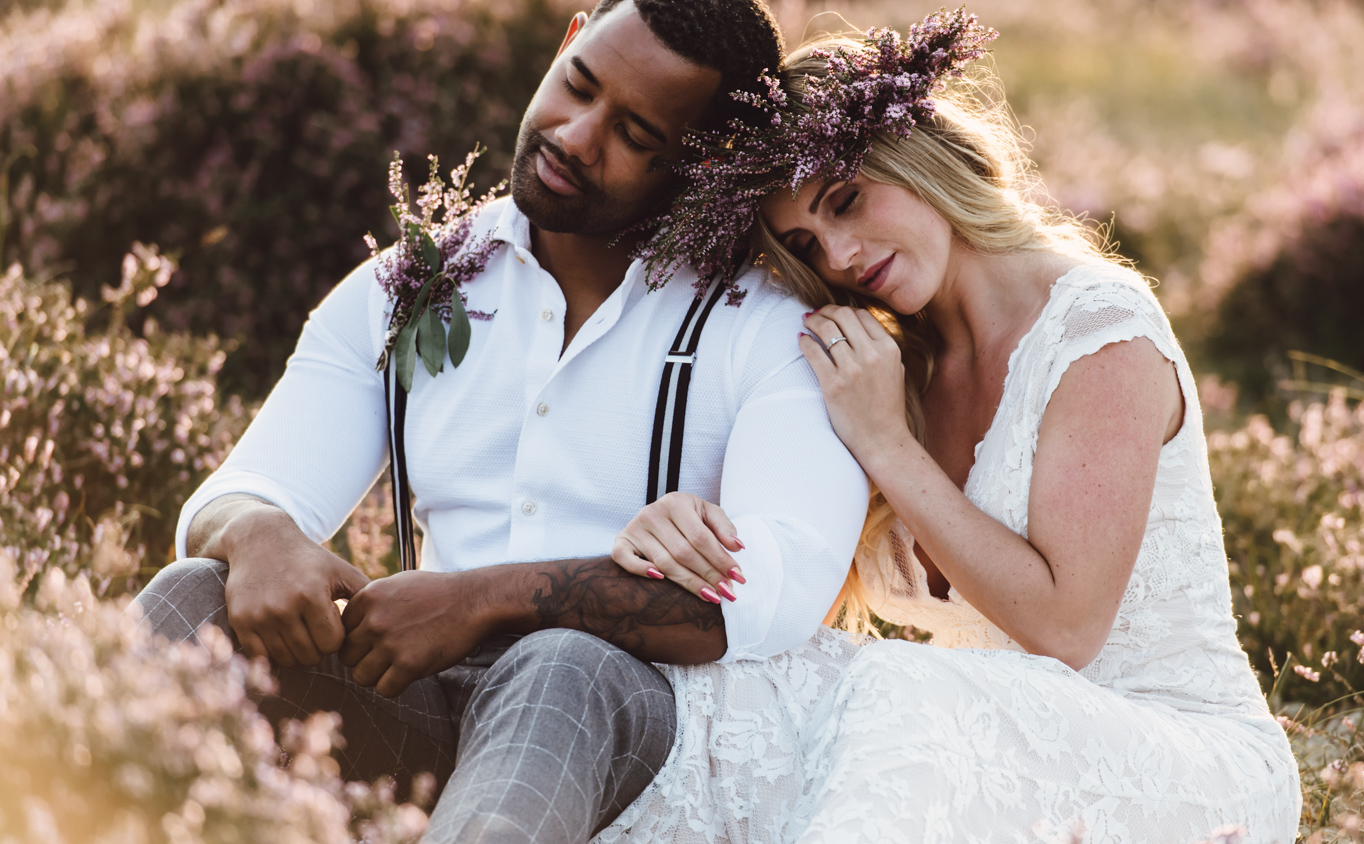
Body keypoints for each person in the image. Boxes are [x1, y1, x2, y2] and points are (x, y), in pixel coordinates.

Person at [131, 2, 871, 843]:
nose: (575, 137)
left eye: (635, 135)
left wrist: (480, 599)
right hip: (416, 707)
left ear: (709, 161)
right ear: (567, 40)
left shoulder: (768, 327)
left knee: (562, 666)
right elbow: (246, 486)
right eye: (578, 85)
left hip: (629, 728)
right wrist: (259, 530)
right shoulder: (408, 285)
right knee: (194, 595)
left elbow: (774, 593)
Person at [597, 11, 1301, 842]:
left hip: (1179, 756)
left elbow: (1066, 629)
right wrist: (674, 526)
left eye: (846, 201)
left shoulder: (1097, 329)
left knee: (900, 686)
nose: (841, 257)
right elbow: (793, 591)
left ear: (913, 155)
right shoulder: (893, 368)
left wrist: (887, 445)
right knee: (735, 699)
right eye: (806, 244)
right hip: (999, 742)